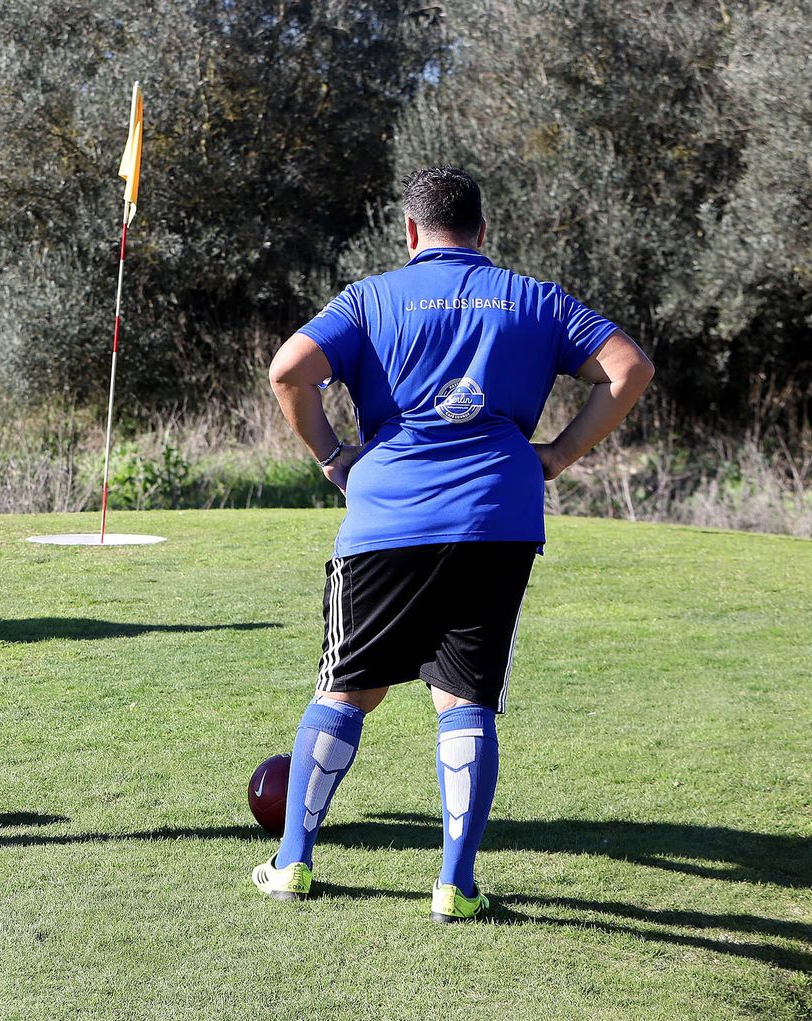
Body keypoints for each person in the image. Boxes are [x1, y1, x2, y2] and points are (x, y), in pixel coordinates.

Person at [253, 166, 653, 920]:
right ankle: (455, 886)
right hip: (497, 521)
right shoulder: (534, 298)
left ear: (409, 232)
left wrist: (333, 457)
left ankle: (292, 864)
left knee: (342, 690)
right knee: (464, 697)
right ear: (482, 231)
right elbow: (630, 369)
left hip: (386, 522)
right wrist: (557, 455)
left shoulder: (371, 297)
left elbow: (288, 370)